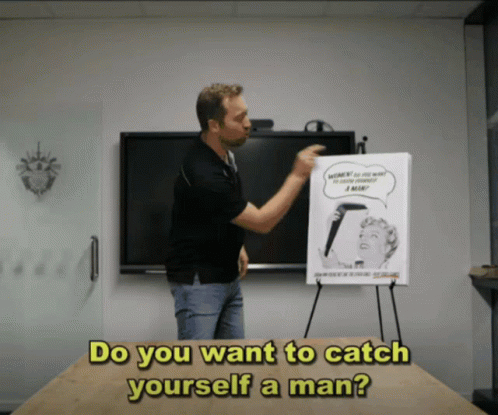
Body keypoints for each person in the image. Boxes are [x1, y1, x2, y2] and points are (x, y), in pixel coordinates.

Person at [166, 83, 325, 340]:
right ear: (214, 125)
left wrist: (236, 244)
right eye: (239, 118)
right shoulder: (204, 172)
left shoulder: (222, 154)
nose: (248, 124)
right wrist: (298, 175)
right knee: (198, 363)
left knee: (235, 360)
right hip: (200, 284)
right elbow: (262, 222)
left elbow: (216, 211)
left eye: (246, 114)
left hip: (228, 276)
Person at [319, 215, 398, 269]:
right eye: (361, 235)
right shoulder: (354, 267)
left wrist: (334, 266)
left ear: (386, 248)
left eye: (373, 236)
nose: (363, 238)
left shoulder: (389, 270)